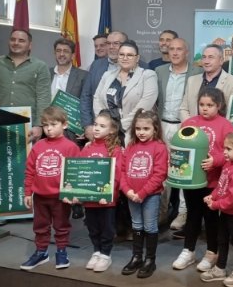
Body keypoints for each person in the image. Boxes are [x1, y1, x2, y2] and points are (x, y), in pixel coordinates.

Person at [173, 88, 233, 273]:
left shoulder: (226, 126)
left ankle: (211, 252)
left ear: (219, 106)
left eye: (210, 105)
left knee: (211, 218)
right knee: (193, 215)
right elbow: (179, 148)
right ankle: (188, 250)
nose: (205, 108)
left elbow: (232, 154)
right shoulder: (189, 123)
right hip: (191, 181)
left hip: (213, 183)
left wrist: (215, 160)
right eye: (202, 105)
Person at [20, 106, 80, 270]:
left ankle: (61, 252)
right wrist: (27, 192)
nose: (49, 128)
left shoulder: (71, 147)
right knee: (40, 226)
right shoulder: (38, 146)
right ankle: (41, 252)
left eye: (53, 124)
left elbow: (76, 173)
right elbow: (30, 170)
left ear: (64, 125)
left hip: (60, 197)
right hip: (40, 196)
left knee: (61, 226)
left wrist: (72, 193)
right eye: (45, 125)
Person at [155, 37, 202, 234]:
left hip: (185, 127)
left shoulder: (196, 72)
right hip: (162, 125)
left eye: (179, 49)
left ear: (187, 52)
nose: (174, 53)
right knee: (162, 170)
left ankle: (183, 212)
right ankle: (162, 212)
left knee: (183, 170)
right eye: (171, 49)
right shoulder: (159, 72)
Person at [0, 29, 51, 143]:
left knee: (23, 161)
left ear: (29, 45)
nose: (16, 43)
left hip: (26, 127)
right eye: (13, 39)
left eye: (21, 40)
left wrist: (39, 125)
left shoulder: (40, 67)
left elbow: (43, 98)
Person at [201, 132, 233, 286]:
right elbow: (221, 186)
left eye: (228, 149)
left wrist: (216, 205)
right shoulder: (228, 165)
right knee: (222, 239)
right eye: (224, 148)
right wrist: (213, 196)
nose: (224, 151)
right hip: (224, 211)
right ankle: (220, 268)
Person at [120, 109, 168, 279]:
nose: (141, 132)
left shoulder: (160, 147)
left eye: (146, 129)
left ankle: (150, 260)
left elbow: (159, 174)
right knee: (136, 225)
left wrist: (142, 193)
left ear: (155, 129)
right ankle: (137, 257)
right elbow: (123, 171)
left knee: (150, 227)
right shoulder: (131, 146)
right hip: (132, 195)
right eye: (138, 128)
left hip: (150, 196)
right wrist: (128, 191)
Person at [75, 110, 123, 273]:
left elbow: (117, 175)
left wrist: (108, 195)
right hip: (89, 200)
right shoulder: (87, 149)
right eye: (95, 124)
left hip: (106, 201)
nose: (96, 128)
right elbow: (79, 172)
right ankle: (96, 251)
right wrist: (76, 194)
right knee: (92, 227)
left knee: (107, 228)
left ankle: (105, 255)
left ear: (111, 130)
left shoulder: (115, 150)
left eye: (102, 126)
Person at [81, 31, 148, 142]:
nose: (111, 47)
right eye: (108, 43)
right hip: (100, 129)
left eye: (116, 43)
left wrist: (121, 125)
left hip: (131, 130)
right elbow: (86, 96)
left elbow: (145, 103)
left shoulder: (144, 68)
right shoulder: (96, 65)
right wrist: (89, 125)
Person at [93, 40, 158, 142]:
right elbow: (97, 98)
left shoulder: (148, 75)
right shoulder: (107, 75)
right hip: (107, 133)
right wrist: (103, 124)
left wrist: (120, 126)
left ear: (137, 58)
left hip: (134, 132)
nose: (125, 58)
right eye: (121, 54)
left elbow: (145, 104)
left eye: (130, 55)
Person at [180, 44, 233, 121]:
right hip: (194, 130)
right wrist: (192, 126)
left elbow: (232, 115)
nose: (206, 61)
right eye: (204, 57)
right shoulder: (192, 80)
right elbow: (183, 109)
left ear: (221, 60)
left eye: (210, 57)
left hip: (219, 131)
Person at [50, 38, 88, 145]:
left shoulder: (83, 76)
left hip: (71, 133)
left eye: (66, 51)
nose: (61, 54)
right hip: (47, 130)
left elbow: (87, 104)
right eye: (58, 51)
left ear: (73, 55)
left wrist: (83, 127)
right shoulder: (46, 73)